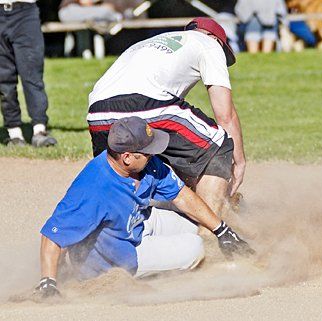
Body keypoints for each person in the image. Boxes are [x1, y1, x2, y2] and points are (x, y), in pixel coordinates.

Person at [35, 116, 254, 298]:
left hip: (138, 220)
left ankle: (172, 253)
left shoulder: (146, 166)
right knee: (195, 247)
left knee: (195, 226)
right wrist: (48, 282)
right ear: (127, 157)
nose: (153, 155)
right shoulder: (93, 188)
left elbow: (181, 195)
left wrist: (222, 230)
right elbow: (53, 234)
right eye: (147, 152)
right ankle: (187, 270)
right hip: (117, 256)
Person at [87, 17, 246, 215]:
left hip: (98, 115)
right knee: (217, 144)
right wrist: (238, 161)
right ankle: (209, 233)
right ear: (217, 39)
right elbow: (225, 116)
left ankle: (115, 230)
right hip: (147, 105)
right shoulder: (209, 44)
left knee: (127, 172)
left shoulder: (151, 43)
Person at [0, 0, 57, 147]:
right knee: (3, 80)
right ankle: (14, 134)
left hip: (25, 12)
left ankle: (39, 131)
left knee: (32, 75)